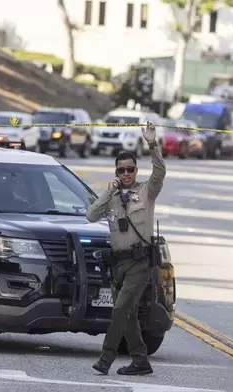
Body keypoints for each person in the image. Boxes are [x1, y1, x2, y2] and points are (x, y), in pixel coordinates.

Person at [86, 121, 166, 376]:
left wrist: (152, 143)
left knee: (120, 309)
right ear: (117, 172)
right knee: (128, 313)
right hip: (117, 264)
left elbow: (160, 171)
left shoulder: (146, 192)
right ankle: (140, 361)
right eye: (122, 170)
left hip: (140, 263)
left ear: (135, 170)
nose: (126, 174)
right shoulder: (112, 197)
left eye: (130, 169)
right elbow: (90, 215)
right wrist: (107, 194)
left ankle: (106, 358)